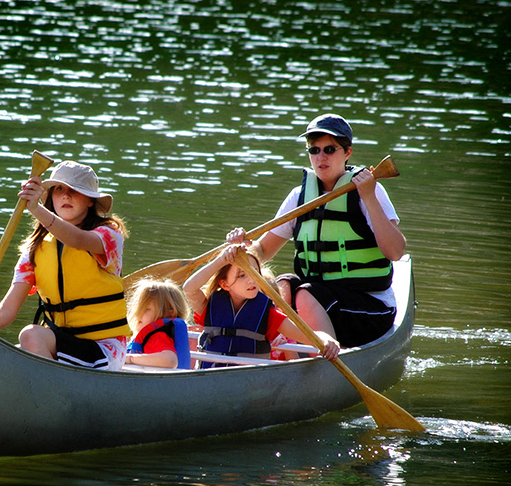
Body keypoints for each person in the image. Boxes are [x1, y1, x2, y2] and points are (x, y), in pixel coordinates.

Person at [228, 113, 406, 348]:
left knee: (305, 293)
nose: (321, 157)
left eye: (330, 149)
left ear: (347, 152)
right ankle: (267, 351)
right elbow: (263, 250)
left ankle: (323, 357)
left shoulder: (369, 190)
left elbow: (395, 251)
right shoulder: (299, 197)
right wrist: (243, 249)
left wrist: (369, 196)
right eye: (314, 150)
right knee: (283, 285)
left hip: (369, 308)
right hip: (319, 300)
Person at [0, 160, 130, 370]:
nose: (66, 195)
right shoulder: (34, 249)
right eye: (59, 189)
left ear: (91, 201)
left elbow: (78, 241)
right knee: (20, 346)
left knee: (30, 334)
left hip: (103, 349)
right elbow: (7, 310)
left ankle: (50, 393)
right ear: (51, 197)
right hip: (61, 344)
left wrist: (36, 209)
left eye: (74, 190)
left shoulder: (109, 235)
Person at [182, 244, 340, 368]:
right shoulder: (208, 306)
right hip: (210, 378)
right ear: (224, 284)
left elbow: (308, 335)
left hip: (250, 382)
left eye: (255, 273)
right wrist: (221, 260)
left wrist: (326, 340)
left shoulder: (267, 313)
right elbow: (189, 288)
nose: (251, 280)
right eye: (242, 275)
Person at [125, 278, 192, 369]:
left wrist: (131, 359)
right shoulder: (150, 336)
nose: (138, 314)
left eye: (146, 309)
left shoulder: (158, 336)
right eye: (138, 308)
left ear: (169, 312)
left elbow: (170, 361)